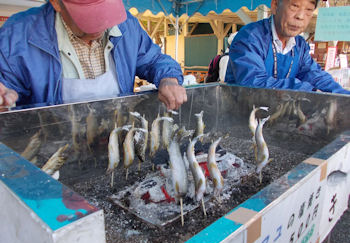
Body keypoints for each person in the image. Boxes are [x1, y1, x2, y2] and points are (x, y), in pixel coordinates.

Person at [0, 0, 187, 111]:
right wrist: (6, 97)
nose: (101, 25)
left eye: (105, 11)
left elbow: (154, 60)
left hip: (115, 140)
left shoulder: (126, 26)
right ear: (57, 3)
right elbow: (6, 86)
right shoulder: (18, 35)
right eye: (89, 15)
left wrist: (168, 79)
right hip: (50, 152)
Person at [225, 0, 350, 94]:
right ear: (275, 6)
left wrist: (342, 96)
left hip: (279, 116)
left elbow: (314, 75)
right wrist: (308, 89)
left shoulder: (300, 46)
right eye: (294, 6)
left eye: (308, 10)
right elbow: (253, 83)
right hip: (243, 117)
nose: (300, 16)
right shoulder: (250, 38)